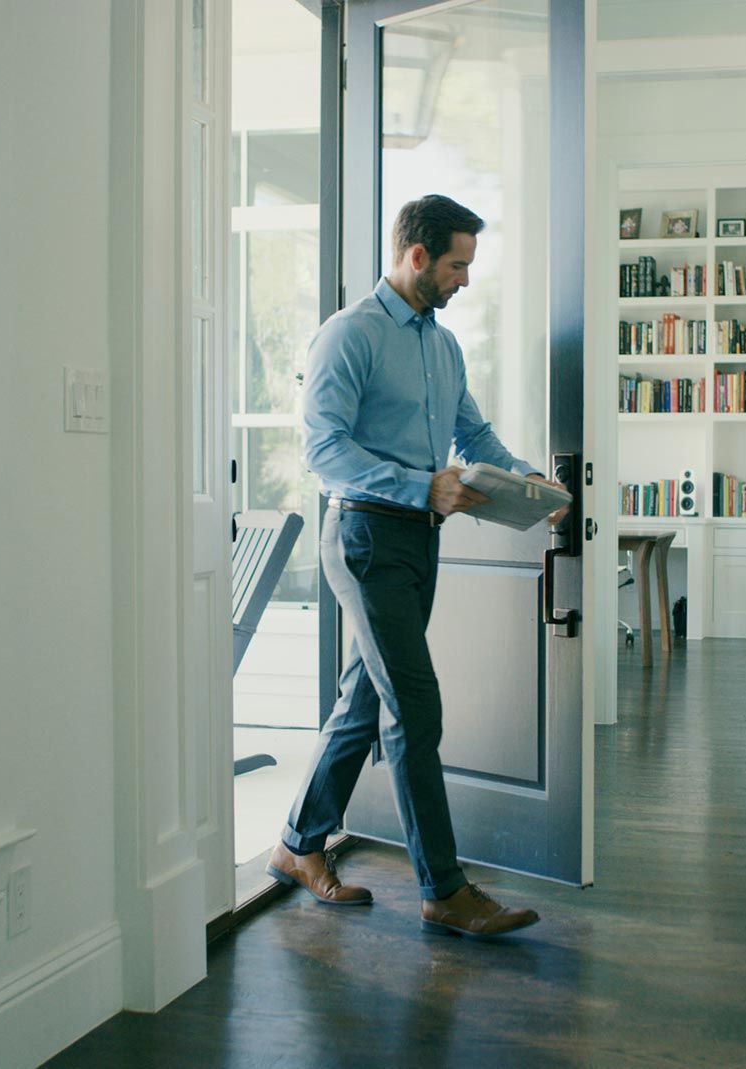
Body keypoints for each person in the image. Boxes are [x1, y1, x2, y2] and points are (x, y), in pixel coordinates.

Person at [267, 194, 569, 939]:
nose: (465, 278)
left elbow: (474, 432)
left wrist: (535, 487)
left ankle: (297, 846)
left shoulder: (441, 345)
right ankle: (443, 888)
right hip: (365, 537)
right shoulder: (349, 335)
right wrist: (418, 484)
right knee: (415, 704)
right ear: (416, 257)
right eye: (457, 264)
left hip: (419, 539)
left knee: (366, 702)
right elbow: (322, 450)